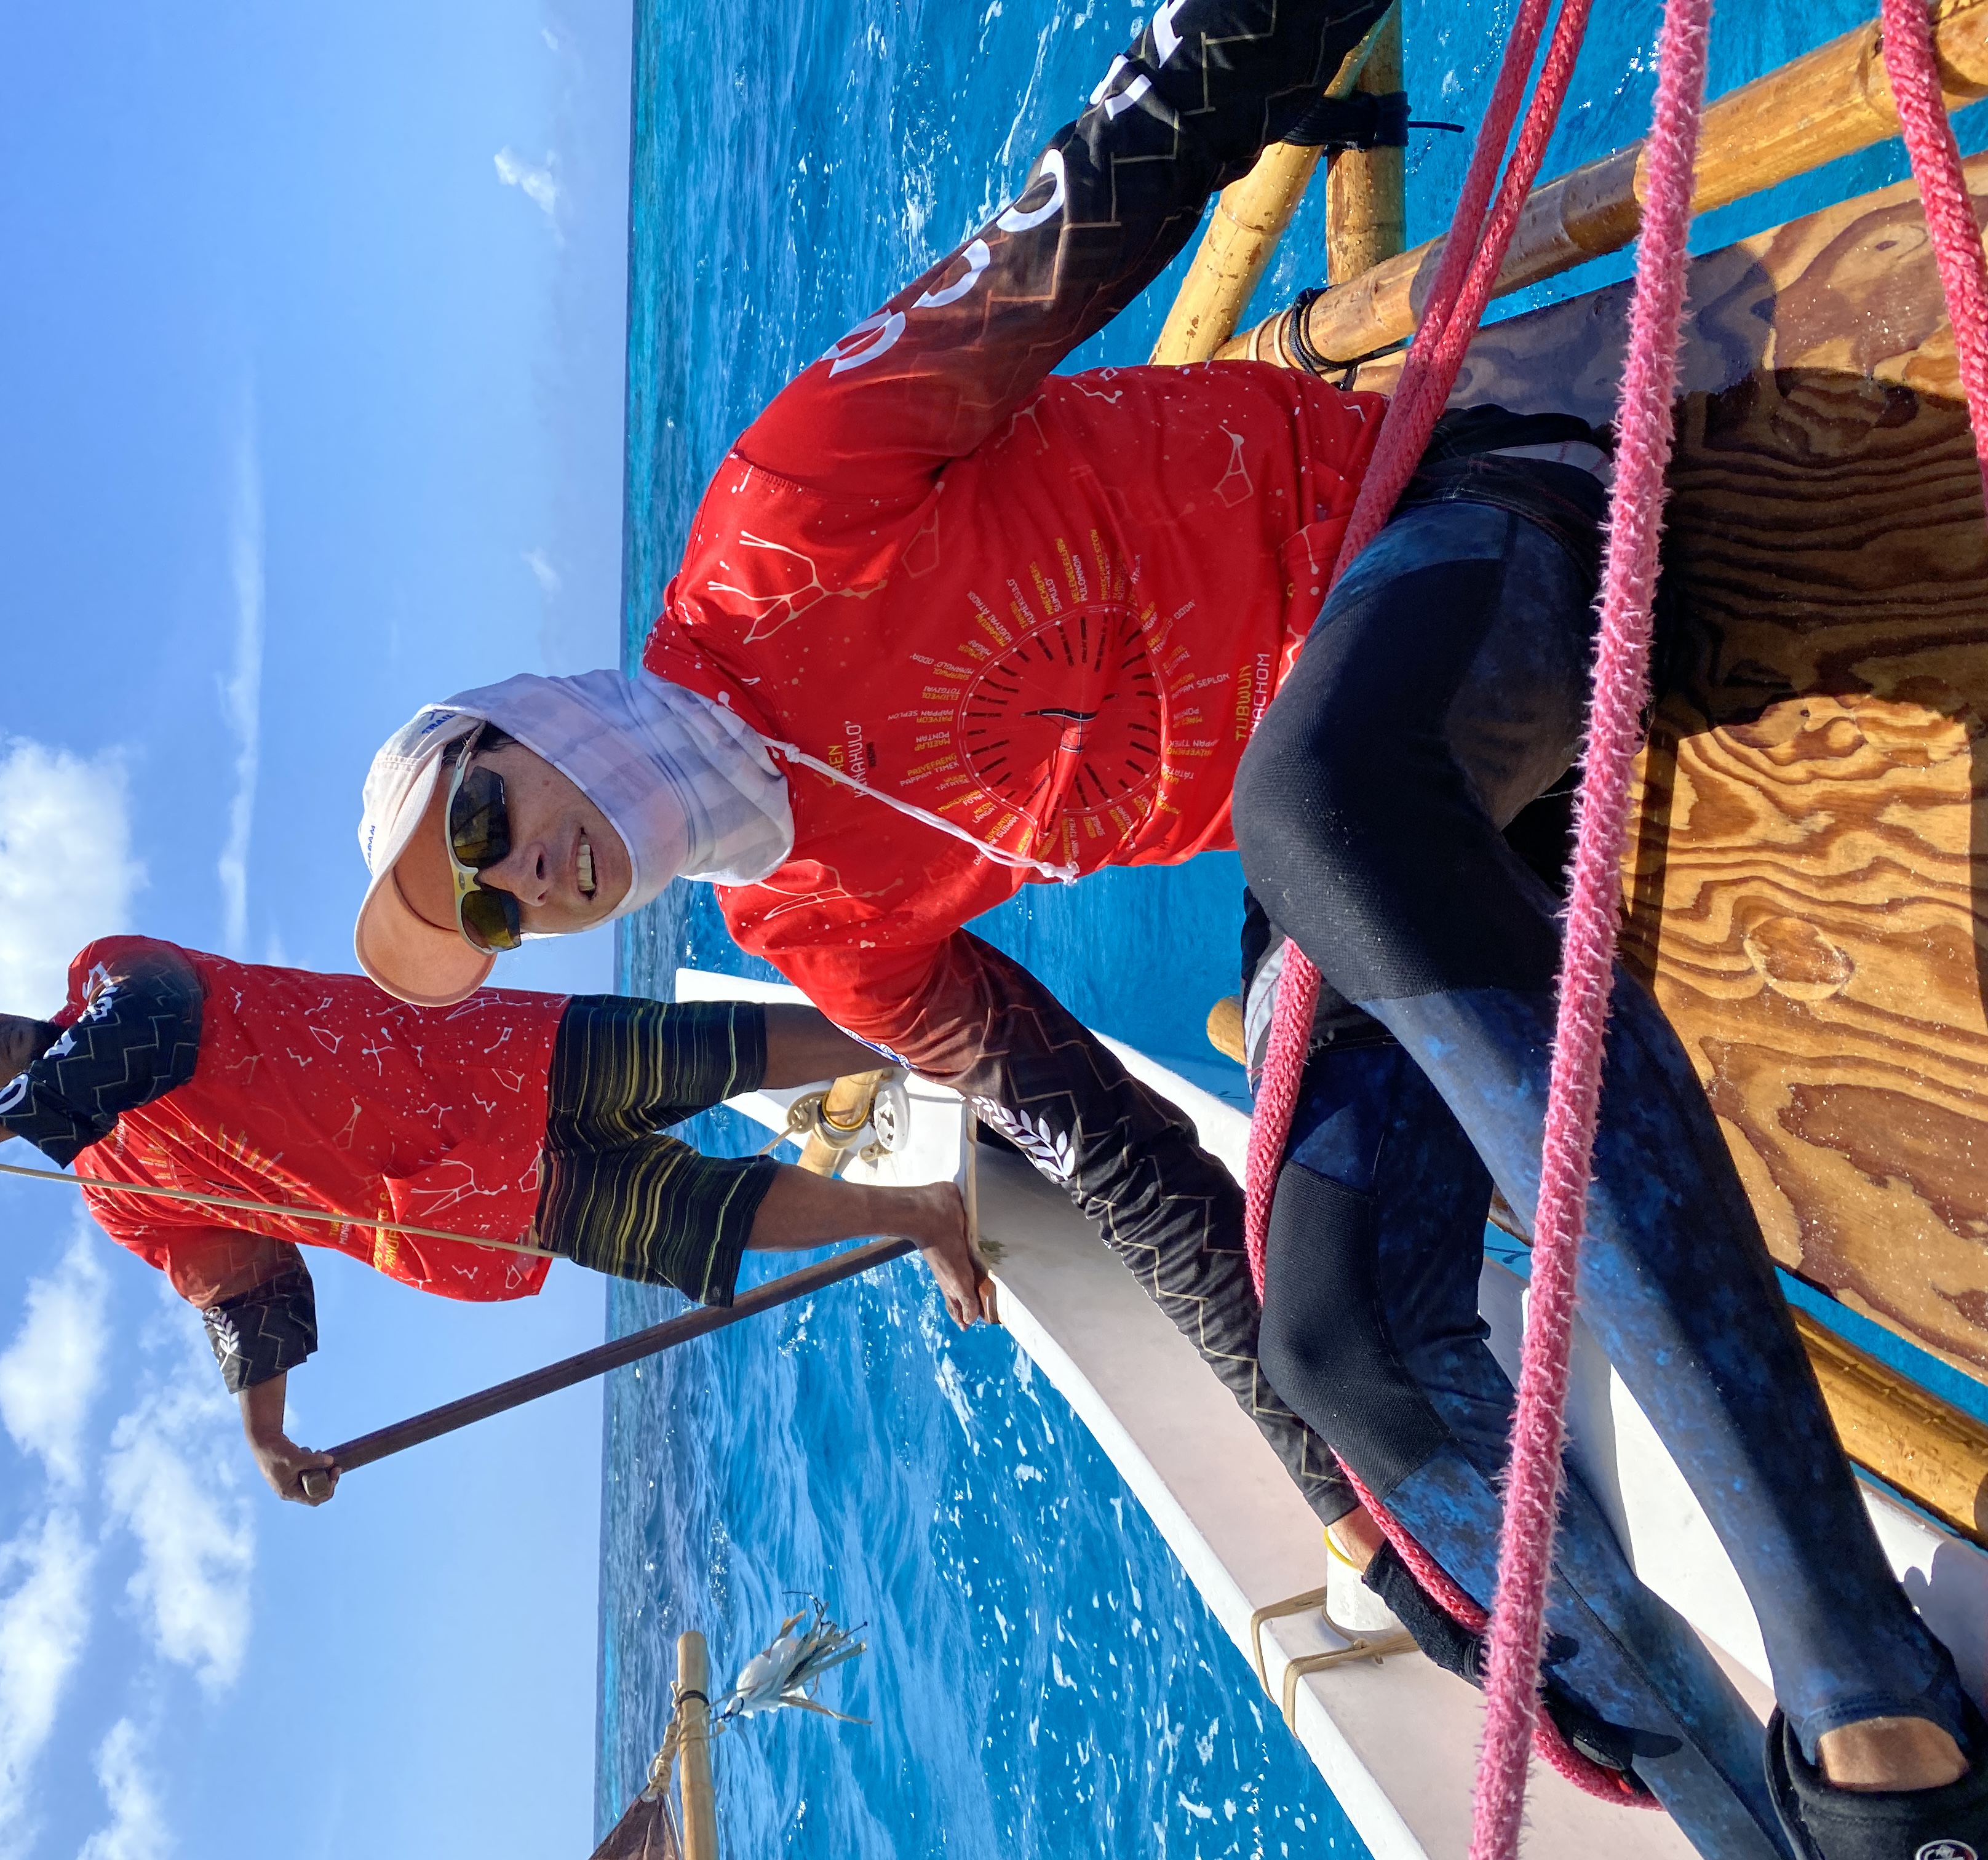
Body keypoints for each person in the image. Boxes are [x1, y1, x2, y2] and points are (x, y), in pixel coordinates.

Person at [346, 4, 1988, 1854]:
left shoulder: (783, 518)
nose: (517, 878)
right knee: (1343, 1348)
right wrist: (1343, 1503)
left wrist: (1242, 40)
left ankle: (1877, 1715)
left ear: (526, 719)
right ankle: (1734, 1807)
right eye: (483, 909)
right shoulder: (814, 925)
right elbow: (1109, 1157)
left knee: (1312, 802)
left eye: (483, 815)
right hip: (1372, 832)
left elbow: (1089, 214)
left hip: (1471, 510)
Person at [0, 934, 994, 1505]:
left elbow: (156, 1026)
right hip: (458, 1206)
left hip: (480, 1057)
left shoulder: (107, 977)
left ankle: (934, 1043)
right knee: (697, 1224)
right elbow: (246, 1290)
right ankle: (923, 1213)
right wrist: (265, 1434)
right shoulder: (120, 1195)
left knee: (709, 1051)